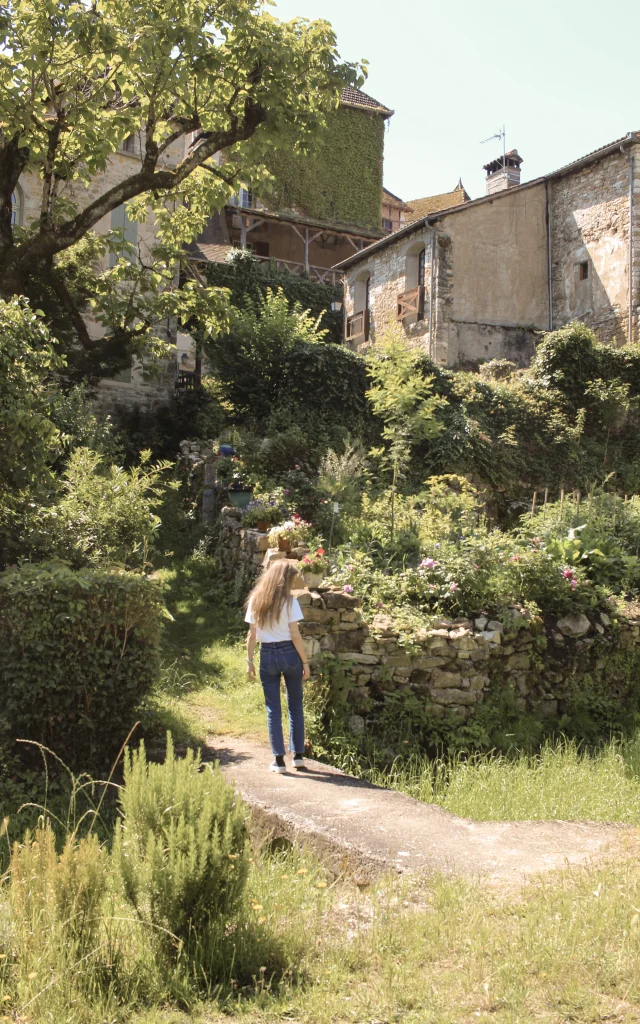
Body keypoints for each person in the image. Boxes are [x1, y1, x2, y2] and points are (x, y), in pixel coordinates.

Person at [245, 559, 310, 773]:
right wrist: (305, 662)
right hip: (289, 653)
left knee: (273, 708)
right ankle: (298, 756)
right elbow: (295, 634)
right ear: (285, 580)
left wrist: (250, 661)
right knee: (295, 705)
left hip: (267, 655)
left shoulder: (256, 599)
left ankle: (279, 760)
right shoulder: (290, 602)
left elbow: (252, 635)